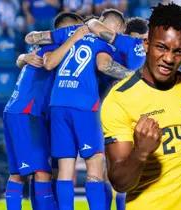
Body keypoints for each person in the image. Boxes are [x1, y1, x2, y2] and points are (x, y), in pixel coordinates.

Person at [101, 3, 181, 210]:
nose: (169, 58)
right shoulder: (119, 100)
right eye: (162, 47)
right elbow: (120, 183)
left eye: (179, 52)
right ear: (145, 44)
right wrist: (140, 152)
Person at [35, 14, 119, 210]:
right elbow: (104, 64)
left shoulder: (61, 39)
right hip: (84, 105)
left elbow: (45, 59)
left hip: (58, 104)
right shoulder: (99, 40)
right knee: (95, 165)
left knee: (65, 170)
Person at [2, 12, 83, 210]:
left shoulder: (43, 46)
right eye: (79, 30)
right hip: (28, 113)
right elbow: (47, 61)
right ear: (68, 31)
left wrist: (22, 57)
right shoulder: (58, 47)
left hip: (19, 111)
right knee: (41, 172)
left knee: (19, 173)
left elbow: (23, 58)